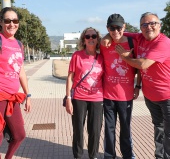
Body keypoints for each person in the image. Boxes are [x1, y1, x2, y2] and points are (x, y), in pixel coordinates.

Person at [105, 12, 170, 159]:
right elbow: (118, 32)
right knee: (158, 128)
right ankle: (159, 156)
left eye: (153, 23)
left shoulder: (163, 42)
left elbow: (143, 64)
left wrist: (124, 57)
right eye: (145, 25)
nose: (149, 27)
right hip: (151, 97)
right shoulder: (139, 37)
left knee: (168, 133)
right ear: (141, 28)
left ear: (160, 25)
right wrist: (106, 36)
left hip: (167, 97)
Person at [100, 14, 141, 159]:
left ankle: (128, 155)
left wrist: (138, 86)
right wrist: (106, 37)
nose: (115, 31)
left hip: (126, 95)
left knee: (125, 128)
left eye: (119, 27)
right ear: (107, 28)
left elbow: (139, 66)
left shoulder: (132, 42)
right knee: (109, 129)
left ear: (124, 27)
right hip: (108, 95)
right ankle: (109, 155)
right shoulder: (103, 44)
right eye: (112, 28)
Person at [65, 27, 104, 159]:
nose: (91, 39)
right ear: (84, 40)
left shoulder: (102, 57)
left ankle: (93, 156)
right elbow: (70, 77)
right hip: (79, 98)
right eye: (88, 37)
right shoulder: (77, 55)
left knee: (95, 130)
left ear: (97, 39)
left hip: (97, 98)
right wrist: (68, 98)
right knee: (78, 130)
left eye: (94, 36)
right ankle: (78, 156)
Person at [0, 7, 31, 159]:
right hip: (0, 97)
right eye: (7, 20)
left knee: (19, 135)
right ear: (1, 22)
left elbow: (21, 71)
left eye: (15, 20)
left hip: (13, 98)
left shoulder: (19, 44)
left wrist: (28, 94)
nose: (12, 24)